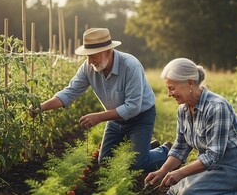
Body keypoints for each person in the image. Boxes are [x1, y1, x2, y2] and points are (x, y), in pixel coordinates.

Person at [29, 28, 169, 172]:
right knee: (105, 162)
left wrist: (99, 117)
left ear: (109, 51)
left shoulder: (130, 66)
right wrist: (40, 108)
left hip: (140, 117)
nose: (89, 62)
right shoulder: (88, 67)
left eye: (93, 56)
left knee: (137, 165)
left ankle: (166, 151)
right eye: (87, 56)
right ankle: (147, 148)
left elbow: (133, 107)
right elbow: (69, 93)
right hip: (115, 119)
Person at [144, 58, 237, 195]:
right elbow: (180, 147)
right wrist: (163, 170)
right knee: (175, 189)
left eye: (172, 88)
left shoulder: (217, 107)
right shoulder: (183, 109)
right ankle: (218, 184)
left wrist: (180, 172)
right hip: (215, 165)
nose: (169, 94)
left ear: (190, 83)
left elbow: (213, 155)